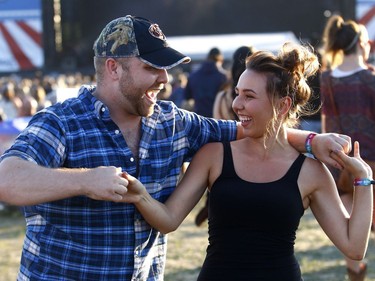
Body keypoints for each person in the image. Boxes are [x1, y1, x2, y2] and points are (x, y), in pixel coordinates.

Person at [0, 15, 350, 281]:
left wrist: (311, 140)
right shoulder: (61, 121)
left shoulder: (173, 122)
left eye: (165, 68)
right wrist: (85, 180)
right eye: (152, 67)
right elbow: (7, 179)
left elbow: (249, 129)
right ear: (113, 69)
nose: (164, 78)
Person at [122, 43, 373, 281]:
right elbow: (168, 219)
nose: (236, 104)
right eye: (237, 94)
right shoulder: (214, 155)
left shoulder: (310, 171)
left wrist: (363, 178)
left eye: (249, 96)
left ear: (282, 105)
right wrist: (140, 195)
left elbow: (354, 247)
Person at [320, 15, 375, 281]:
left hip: (340, 163)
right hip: (372, 161)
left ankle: (355, 275)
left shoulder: (328, 78)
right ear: (362, 44)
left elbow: (327, 125)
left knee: (352, 226)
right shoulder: (371, 78)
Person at [195, 45, 255, 226]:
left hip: (228, 157)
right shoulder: (259, 96)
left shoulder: (223, 95)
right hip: (254, 155)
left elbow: (218, 127)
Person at [184, 47, 229, 117]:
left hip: (199, 118)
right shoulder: (223, 76)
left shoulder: (193, 75)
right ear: (220, 60)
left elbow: (187, 96)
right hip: (218, 119)